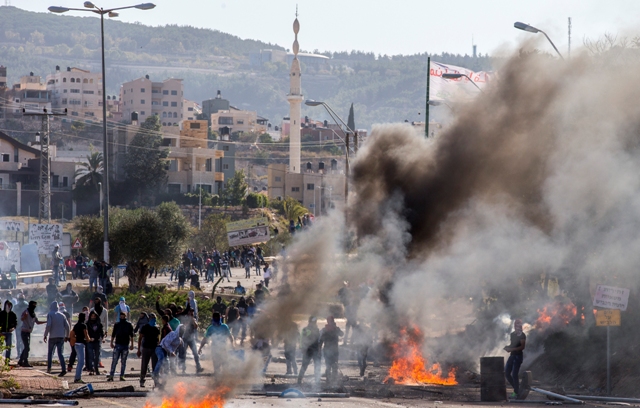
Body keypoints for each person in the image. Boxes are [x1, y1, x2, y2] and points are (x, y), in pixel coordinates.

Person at [199, 312, 233, 379]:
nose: (216, 319)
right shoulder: (212, 328)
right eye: (215, 317)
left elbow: (230, 336)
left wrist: (232, 344)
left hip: (222, 347)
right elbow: (205, 339)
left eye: (217, 317)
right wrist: (200, 348)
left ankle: (224, 378)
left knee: (224, 363)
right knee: (218, 364)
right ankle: (218, 380)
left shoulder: (223, 326)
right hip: (215, 348)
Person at [44, 301, 70, 376]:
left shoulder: (50, 314)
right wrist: (67, 336)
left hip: (52, 337)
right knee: (60, 354)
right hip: (61, 337)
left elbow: (48, 325)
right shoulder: (62, 315)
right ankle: (63, 369)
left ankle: (49, 368)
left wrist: (45, 335)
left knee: (50, 353)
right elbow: (67, 327)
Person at [153, 324, 183, 389]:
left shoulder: (179, 341)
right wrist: (171, 352)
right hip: (160, 348)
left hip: (166, 352)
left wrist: (172, 354)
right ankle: (155, 373)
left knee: (167, 368)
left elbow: (173, 349)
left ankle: (162, 385)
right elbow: (166, 344)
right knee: (161, 358)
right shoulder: (172, 334)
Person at [107, 310, 134, 381]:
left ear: (125, 316)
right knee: (114, 361)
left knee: (123, 362)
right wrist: (111, 342)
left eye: (123, 316)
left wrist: (132, 344)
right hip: (118, 344)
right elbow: (113, 334)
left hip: (125, 345)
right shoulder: (117, 324)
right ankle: (111, 375)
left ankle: (122, 375)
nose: (122, 317)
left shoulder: (129, 325)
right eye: (121, 316)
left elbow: (131, 336)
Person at [504, 319, 526, 399]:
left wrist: (511, 349)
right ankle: (517, 390)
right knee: (507, 373)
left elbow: (522, 347)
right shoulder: (512, 334)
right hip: (512, 356)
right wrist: (508, 347)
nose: (516, 326)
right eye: (515, 324)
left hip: (518, 356)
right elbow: (513, 344)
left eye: (518, 324)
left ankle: (516, 392)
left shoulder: (522, 335)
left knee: (514, 374)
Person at [18, 300, 44, 367]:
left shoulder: (33, 313)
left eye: (35, 305)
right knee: (27, 347)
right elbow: (21, 318)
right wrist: (25, 316)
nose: (34, 306)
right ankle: (25, 362)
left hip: (28, 332)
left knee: (26, 347)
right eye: (33, 305)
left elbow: (37, 322)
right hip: (24, 332)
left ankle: (21, 361)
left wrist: (46, 321)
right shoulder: (26, 311)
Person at [319, 315, 343, 384]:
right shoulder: (334, 329)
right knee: (334, 366)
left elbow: (320, 341)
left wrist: (319, 350)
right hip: (334, 350)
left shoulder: (325, 329)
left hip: (328, 350)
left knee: (328, 366)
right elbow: (342, 334)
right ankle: (333, 380)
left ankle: (329, 380)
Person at [297, 316, 321, 385]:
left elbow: (319, 340)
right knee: (304, 366)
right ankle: (299, 380)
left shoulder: (317, 330)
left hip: (315, 350)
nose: (314, 323)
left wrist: (319, 349)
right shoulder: (305, 329)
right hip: (308, 350)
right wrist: (302, 348)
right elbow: (301, 339)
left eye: (315, 322)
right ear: (309, 322)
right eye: (313, 322)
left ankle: (317, 381)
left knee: (317, 366)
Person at [137, 313, 160, 388]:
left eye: (153, 317)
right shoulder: (145, 327)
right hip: (146, 348)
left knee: (155, 366)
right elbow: (140, 338)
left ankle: (156, 382)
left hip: (154, 348)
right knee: (144, 365)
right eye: (151, 317)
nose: (152, 319)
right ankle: (142, 380)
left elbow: (158, 338)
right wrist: (139, 349)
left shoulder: (157, 327)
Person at [178, 309, 203, 374]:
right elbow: (182, 327)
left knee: (195, 353)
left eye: (192, 311)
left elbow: (196, 326)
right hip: (185, 338)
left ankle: (198, 367)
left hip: (191, 338)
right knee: (184, 354)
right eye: (190, 311)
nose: (191, 312)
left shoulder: (193, 319)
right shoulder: (184, 318)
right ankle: (183, 369)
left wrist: (192, 319)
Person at [70, 312, 91, 384]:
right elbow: (86, 335)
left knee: (80, 361)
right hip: (81, 344)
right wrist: (89, 339)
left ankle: (77, 377)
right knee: (81, 362)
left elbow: (72, 334)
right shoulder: (84, 325)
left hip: (76, 344)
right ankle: (77, 378)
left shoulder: (76, 325)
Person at [85, 310, 104, 375]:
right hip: (90, 342)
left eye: (94, 316)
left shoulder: (99, 324)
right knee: (91, 356)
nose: (93, 317)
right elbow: (85, 332)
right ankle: (91, 369)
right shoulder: (87, 324)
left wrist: (102, 338)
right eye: (92, 316)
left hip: (97, 342)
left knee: (97, 356)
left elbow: (101, 333)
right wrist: (88, 338)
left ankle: (96, 368)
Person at [13, 293, 28, 357]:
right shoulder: (27, 305)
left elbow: (13, 316)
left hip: (18, 325)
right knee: (24, 340)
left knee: (18, 340)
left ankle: (19, 354)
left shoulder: (16, 306)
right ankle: (23, 353)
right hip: (25, 325)